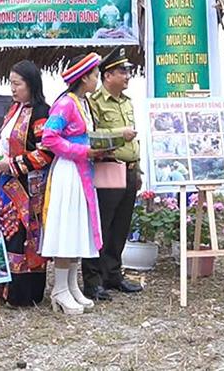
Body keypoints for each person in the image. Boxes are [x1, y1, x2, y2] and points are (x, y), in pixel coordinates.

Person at [40, 53, 110, 315]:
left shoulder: (83, 103)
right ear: (83, 78)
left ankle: (70, 285)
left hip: (83, 172)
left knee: (78, 227)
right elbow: (49, 138)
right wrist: (82, 152)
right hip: (69, 172)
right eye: (94, 76)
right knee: (67, 228)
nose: (97, 80)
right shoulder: (65, 104)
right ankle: (59, 289)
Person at [0, 60, 54, 307]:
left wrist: (13, 164)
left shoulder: (41, 113)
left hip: (28, 187)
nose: (13, 89)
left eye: (17, 84)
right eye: (11, 83)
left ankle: (25, 293)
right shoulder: (12, 110)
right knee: (7, 233)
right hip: (6, 185)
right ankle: (4, 288)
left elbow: (45, 153)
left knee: (24, 237)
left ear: (31, 84)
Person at [84, 47, 144, 301]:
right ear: (107, 75)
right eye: (122, 71)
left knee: (121, 227)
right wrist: (120, 134)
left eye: (128, 71)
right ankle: (93, 281)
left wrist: (138, 168)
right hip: (108, 170)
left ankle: (113, 275)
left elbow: (133, 143)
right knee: (103, 227)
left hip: (129, 170)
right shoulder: (94, 103)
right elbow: (90, 138)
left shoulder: (127, 102)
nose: (128, 75)